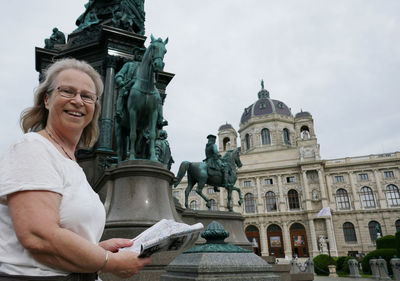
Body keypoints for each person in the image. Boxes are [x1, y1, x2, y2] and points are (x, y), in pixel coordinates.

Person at [0, 58, 150, 280]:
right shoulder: (32, 147)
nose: (77, 101)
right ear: (47, 99)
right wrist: (109, 262)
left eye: (87, 96)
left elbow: (64, 233)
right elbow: (38, 236)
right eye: (67, 91)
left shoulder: (71, 163)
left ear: (94, 108)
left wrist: (97, 248)